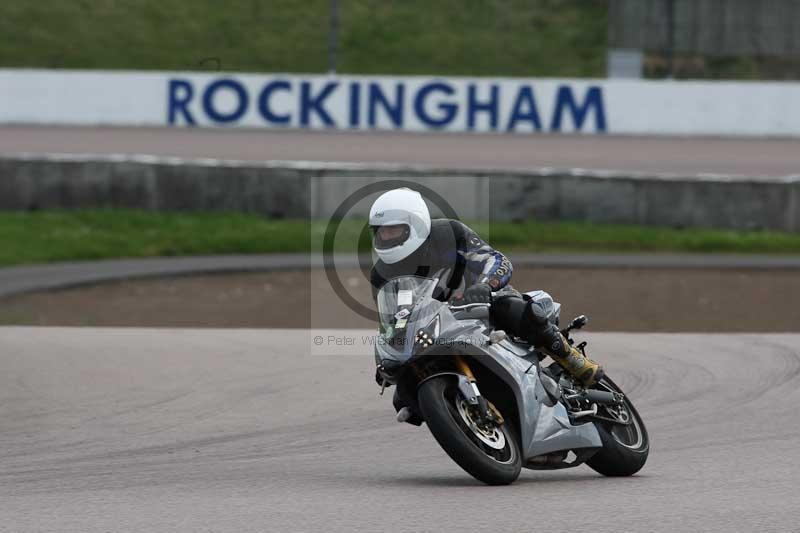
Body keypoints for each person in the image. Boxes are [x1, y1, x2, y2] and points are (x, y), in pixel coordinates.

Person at [369, 187, 603, 388]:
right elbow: (393, 320)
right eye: (380, 230)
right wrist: (388, 355)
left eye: (393, 229)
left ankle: (570, 358)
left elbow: (496, 260)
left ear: (415, 224)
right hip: (434, 327)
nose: (385, 236)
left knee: (511, 307)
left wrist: (484, 285)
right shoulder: (382, 274)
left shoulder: (448, 234)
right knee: (402, 395)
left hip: (481, 304)